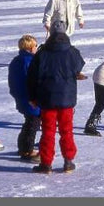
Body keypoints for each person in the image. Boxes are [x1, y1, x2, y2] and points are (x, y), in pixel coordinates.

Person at [26, 21, 86, 173]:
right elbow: (79, 65)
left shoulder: (42, 53)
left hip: (47, 98)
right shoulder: (72, 51)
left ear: (51, 33)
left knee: (48, 131)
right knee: (67, 130)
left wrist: (32, 97)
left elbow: (32, 77)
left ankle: (46, 164)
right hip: (67, 98)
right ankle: (68, 161)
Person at [8, 35, 41, 160]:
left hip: (21, 96)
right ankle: (27, 150)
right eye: (35, 46)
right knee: (32, 124)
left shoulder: (17, 60)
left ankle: (23, 147)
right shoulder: (29, 61)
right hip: (29, 98)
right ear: (30, 47)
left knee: (29, 123)